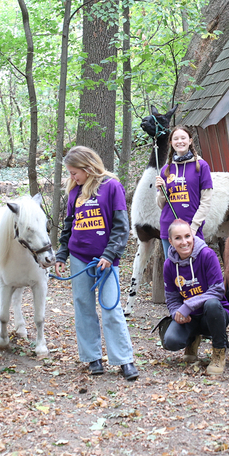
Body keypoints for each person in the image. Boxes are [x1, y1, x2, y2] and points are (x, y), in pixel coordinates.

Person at [54, 146, 139, 381]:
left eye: (74, 172)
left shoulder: (112, 186)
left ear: (88, 167)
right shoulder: (75, 191)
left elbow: (121, 226)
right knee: (83, 306)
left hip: (105, 260)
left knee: (111, 307)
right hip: (79, 256)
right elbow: (68, 226)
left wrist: (109, 255)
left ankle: (124, 359)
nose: (72, 177)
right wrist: (62, 255)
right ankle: (92, 357)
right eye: (70, 173)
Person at [161, 219, 229, 375]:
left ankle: (218, 352)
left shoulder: (207, 255)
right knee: (171, 341)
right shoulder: (169, 265)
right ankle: (192, 340)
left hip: (213, 315)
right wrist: (177, 313)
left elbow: (217, 290)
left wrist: (187, 306)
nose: (184, 242)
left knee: (212, 304)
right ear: (170, 241)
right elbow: (172, 299)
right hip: (190, 318)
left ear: (193, 236)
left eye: (187, 236)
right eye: (178, 238)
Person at [154, 126, 214, 257]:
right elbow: (161, 205)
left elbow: (206, 201)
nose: (180, 141)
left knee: (195, 266)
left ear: (190, 140)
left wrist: (193, 227)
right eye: (176, 139)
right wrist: (162, 191)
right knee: (172, 267)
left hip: (191, 229)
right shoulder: (166, 169)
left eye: (183, 138)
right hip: (169, 228)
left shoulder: (201, 166)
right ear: (171, 142)